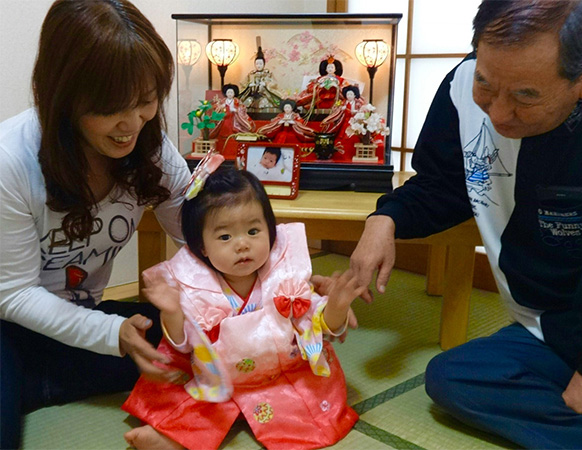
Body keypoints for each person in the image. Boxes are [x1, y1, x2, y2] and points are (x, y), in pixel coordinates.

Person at [350, 0, 582, 448]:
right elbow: (444, 187)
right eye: (486, 83)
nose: (498, 114)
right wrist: (385, 218)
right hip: (545, 329)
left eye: (526, 95)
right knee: (452, 378)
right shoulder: (462, 85)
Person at [0, 1, 192, 448]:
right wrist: (111, 333)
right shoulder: (11, 160)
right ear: (64, 97)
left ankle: (39, 384)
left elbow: (198, 231)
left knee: (216, 345)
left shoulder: (151, 147)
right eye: (111, 109)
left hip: (78, 322)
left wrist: (279, 284)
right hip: (7, 328)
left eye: (146, 102)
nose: (132, 125)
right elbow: (13, 294)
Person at [122, 158, 362, 450]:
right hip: (219, 377)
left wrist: (335, 305)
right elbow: (183, 344)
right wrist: (171, 311)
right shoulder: (195, 283)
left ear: (271, 232)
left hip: (280, 373)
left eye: (253, 231)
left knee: (304, 405)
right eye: (225, 236)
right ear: (202, 247)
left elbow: (319, 327)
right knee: (191, 395)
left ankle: (191, 430)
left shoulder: (285, 275)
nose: (242, 244)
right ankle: (170, 437)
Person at [209, 83, 255, 157]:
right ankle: (221, 149)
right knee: (223, 131)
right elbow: (216, 107)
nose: (230, 94)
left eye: (231, 92)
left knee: (233, 133)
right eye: (228, 92)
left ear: (234, 93)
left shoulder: (237, 101)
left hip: (234, 119)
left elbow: (242, 109)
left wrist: (236, 110)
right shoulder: (223, 101)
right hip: (224, 118)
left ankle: (232, 150)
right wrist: (221, 107)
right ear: (225, 93)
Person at [320, 85, 366, 154]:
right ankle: (341, 145)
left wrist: (355, 112)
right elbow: (336, 109)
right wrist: (341, 108)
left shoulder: (357, 103)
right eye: (348, 94)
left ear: (354, 95)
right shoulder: (344, 102)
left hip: (354, 120)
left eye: (351, 94)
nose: (349, 96)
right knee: (342, 132)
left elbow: (361, 111)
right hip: (345, 119)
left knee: (353, 133)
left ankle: (351, 146)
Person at [238, 43, 283, 113]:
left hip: (265, 96)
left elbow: (274, 83)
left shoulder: (268, 73)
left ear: (264, 64)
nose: (258, 66)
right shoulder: (251, 74)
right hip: (252, 96)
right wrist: (249, 85)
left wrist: (266, 84)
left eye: (260, 64)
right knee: (246, 103)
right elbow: (242, 84)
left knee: (264, 102)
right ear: (255, 64)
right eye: (257, 64)